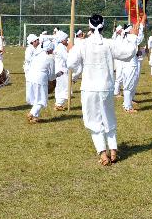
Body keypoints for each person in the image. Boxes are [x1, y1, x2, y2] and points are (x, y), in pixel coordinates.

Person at [66, 14, 136, 166]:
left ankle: (103, 153)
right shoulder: (109, 44)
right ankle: (113, 150)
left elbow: (71, 64)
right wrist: (133, 37)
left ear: (89, 27)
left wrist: (71, 51)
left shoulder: (82, 44)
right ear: (103, 26)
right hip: (106, 87)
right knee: (108, 117)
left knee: (93, 120)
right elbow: (128, 53)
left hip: (89, 88)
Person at [26, 39, 55, 123]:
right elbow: (52, 75)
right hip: (40, 79)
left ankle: (35, 117)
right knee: (42, 99)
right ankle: (31, 113)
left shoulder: (36, 54)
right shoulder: (50, 58)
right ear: (50, 49)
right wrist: (58, 74)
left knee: (36, 98)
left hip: (30, 78)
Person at [118, 23, 144, 113]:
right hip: (131, 65)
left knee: (127, 86)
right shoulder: (130, 39)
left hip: (126, 65)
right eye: (133, 29)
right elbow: (140, 39)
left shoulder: (125, 38)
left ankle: (126, 104)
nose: (134, 30)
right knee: (129, 86)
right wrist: (140, 27)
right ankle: (128, 107)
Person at [53, 37, 71, 111]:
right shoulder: (61, 48)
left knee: (60, 88)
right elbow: (67, 58)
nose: (67, 41)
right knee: (66, 88)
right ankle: (59, 104)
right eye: (66, 39)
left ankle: (58, 103)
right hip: (62, 71)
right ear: (62, 40)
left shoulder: (59, 47)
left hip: (58, 70)